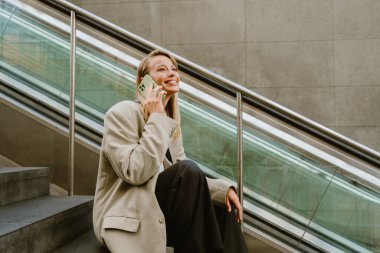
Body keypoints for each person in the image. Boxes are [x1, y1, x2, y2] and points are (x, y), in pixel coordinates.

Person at [93, 49, 248, 253]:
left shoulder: (169, 126)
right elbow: (134, 171)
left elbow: (186, 181)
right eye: (162, 69)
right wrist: (156, 116)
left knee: (223, 207)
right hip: (131, 216)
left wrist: (222, 191)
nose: (172, 73)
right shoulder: (122, 113)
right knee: (188, 170)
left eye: (174, 69)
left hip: (159, 211)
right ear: (143, 81)